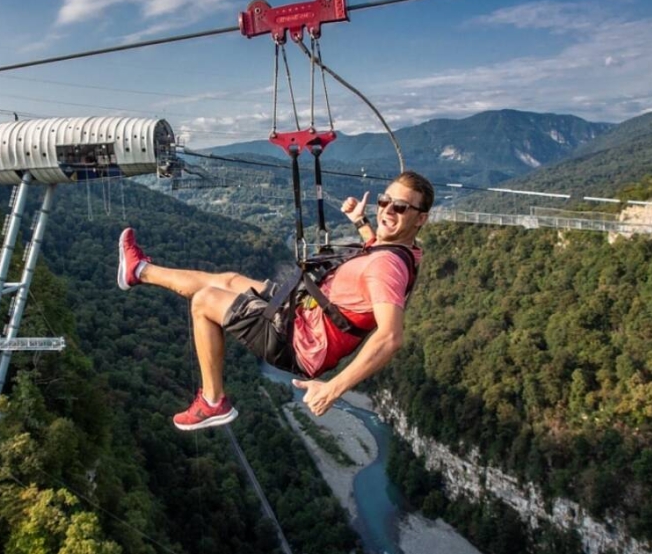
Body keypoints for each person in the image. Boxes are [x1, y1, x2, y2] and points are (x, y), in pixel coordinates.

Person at [118, 171, 433, 431]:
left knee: (205, 301)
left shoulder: (387, 267)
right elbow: (377, 254)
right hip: (300, 312)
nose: (388, 210)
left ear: (420, 219)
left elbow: (391, 337)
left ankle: (213, 401)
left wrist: (333, 389)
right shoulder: (401, 253)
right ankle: (140, 271)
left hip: (297, 341)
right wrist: (361, 222)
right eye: (385, 201)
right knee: (229, 280)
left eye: (401, 207)